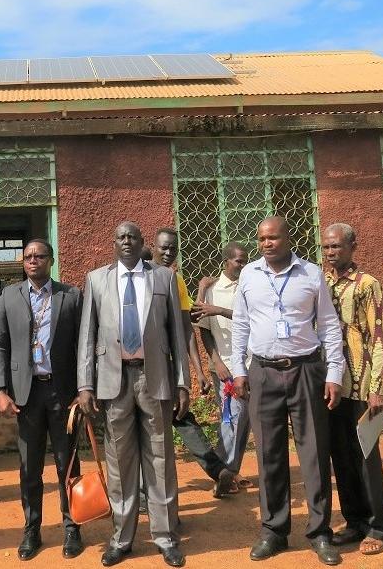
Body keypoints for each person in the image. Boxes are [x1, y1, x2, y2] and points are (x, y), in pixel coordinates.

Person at [230, 216, 345, 566]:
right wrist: (239, 370)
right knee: (269, 455)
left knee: (314, 452)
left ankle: (319, 532)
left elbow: (329, 325)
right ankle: (274, 530)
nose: (267, 244)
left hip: (306, 370)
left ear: (288, 238)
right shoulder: (249, 274)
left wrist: (334, 373)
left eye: (274, 238)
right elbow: (241, 324)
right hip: (263, 373)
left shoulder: (311, 274)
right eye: (262, 239)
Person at [77, 221, 190, 568]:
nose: (127, 241)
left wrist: (182, 382)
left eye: (132, 237)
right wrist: (85, 385)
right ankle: (121, 539)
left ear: (142, 243)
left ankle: (165, 536)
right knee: (119, 460)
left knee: (160, 457)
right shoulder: (97, 279)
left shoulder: (163, 278)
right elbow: (87, 335)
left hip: (154, 378)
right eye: (121, 237)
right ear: (114, 243)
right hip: (114, 381)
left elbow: (177, 335)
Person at [0, 238, 84, 561]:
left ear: (51, 260)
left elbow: (82, 345)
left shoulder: (70, 296)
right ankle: (32, 529)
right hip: (25, 395)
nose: (33, 260)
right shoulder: (9, 296)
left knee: (67, 463)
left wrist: (84, 390)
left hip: (63, 392)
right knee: (29, 467)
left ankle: (72, 527)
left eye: (40, 256)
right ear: (23, 262)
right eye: (28, 256)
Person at [321, 223, 383, 555]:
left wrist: (376, 387)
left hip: (361, 384)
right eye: (326, 247)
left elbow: (379, 337)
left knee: (366, 454)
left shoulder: (367, 284)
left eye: (336, 246)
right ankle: (354, 521)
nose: (331, 252)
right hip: (331, 384)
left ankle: (377, 526)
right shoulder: (320, 282)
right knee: (341, 455)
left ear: (352, 246)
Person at [152, 228, 235, 498]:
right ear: (153, 247)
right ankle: (216, 469)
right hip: (139, 365)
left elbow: (186, 327)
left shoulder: (176, 280)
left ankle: (217, 471)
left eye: (173, 249)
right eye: (164, 248)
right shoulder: (140, 277)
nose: (168, 253)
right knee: (167, 422)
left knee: (181, 415)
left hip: (165, 363)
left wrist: (197, 370)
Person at [192, 242, 252, 492]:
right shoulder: (212, 289)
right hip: (225, 366)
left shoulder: (250, 286)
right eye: (238, 261)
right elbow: (204, 330)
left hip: (252, 363)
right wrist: (216, 361)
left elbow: (252, 319)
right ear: (226, 261)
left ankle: (230, 471)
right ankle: (225, 473)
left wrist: (219, 310)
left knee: (245, 419)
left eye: (245, 260)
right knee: (232, 416)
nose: (243, 265)